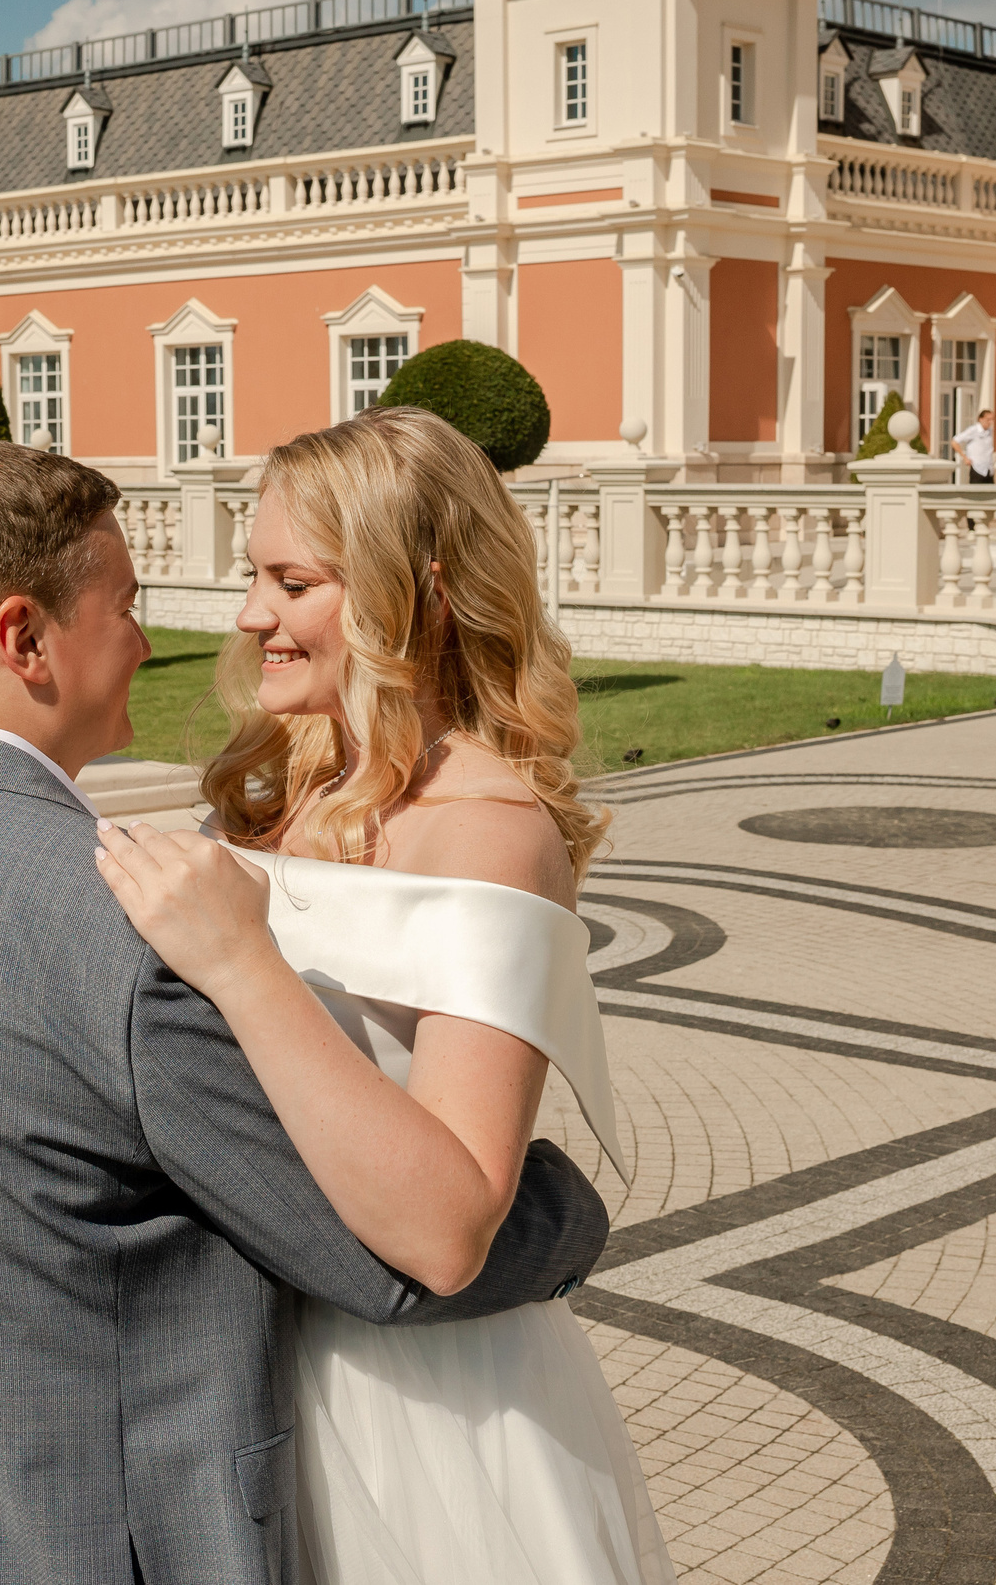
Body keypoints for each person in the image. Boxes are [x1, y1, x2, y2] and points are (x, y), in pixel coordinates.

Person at [0, 440, 609, 1585]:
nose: (207, 626)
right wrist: (564, 1222)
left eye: (290, 581)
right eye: (128, 604)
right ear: (22, 637)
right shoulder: (136, 913)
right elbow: (393, 1260)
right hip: (143, 1508)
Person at [94, 408, 676, 1585]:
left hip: (415, 1408)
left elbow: (452, 1228)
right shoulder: (274, 790)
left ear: (426, 591)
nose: (252, 613)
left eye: (291, 581)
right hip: (245, 1375)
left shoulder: (489, 832)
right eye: (255, 577)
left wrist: (244, 964)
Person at [951, 408, 996, 484]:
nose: (990, 422)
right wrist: (965, 457)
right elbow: (954, 441)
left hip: (989, 469)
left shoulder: (990, 432)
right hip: (977, 469)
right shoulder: (973, 430)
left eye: (992, 419)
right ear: (981, 419)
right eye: (988, 419)